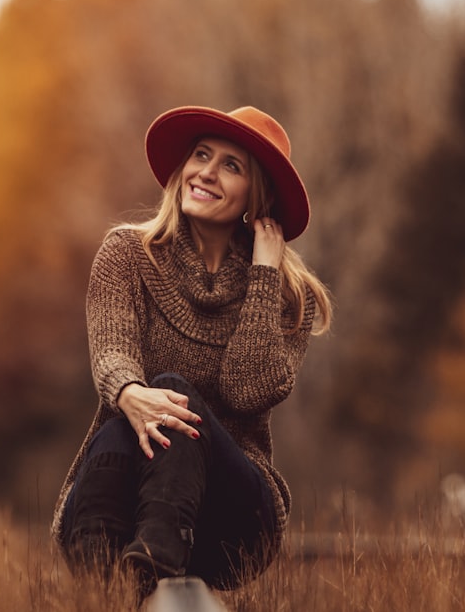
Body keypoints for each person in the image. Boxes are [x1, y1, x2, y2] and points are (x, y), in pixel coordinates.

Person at [51, 105, 332, 593]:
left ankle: (158, 553)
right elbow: (112, 352)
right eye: (201, 155)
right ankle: (99, 578)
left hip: (233, 522)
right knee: (125, 426)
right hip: (121, 495)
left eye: (231, 165)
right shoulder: (125, 255)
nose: (206, 171)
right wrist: (128, 393)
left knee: (171, 393)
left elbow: (246, 390)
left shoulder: (291, 297)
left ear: (257, 194)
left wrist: (264, 276)